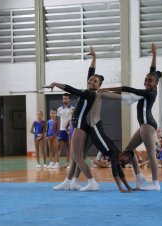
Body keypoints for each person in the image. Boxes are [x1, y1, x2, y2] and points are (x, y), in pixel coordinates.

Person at [44, 47, 134, 192]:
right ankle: (69, 181)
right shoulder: (89, 90)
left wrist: (55, 83)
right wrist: (94, 58)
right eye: (91, 80)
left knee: (78, 157)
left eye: (95, 82)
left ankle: (92, 182)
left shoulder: (90, 94)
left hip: (80, 126)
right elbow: (90, 73)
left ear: (99, 86)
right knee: (77, 157)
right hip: (79, 126)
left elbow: (72, 89)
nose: (91, 82)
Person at [101, 43, 161, 191]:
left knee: (151, 154)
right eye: (146, 79)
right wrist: (154, 55)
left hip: (148, 125)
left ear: (156, 83)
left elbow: (127, 89)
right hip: (144, 125)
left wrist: (107, 89)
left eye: (150, 81)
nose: (147, 81)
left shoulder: (149, 92)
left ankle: (156, 183)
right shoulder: (150, 86)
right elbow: (152, 71)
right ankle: (139, 177)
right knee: (129, 149)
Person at [57, 93, 75, 168]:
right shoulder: (59, 109)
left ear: (69, 99)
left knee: (69, 147)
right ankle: (57, 164)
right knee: (59, 147)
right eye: (64, 98)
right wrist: (57, 131)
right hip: (61, 130)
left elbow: (74, 120)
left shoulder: (73, 109)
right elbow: (58, 121)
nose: (65, 100)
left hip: (69, 131)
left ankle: (68, 163)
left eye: (66, 98)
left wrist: (70, 128)